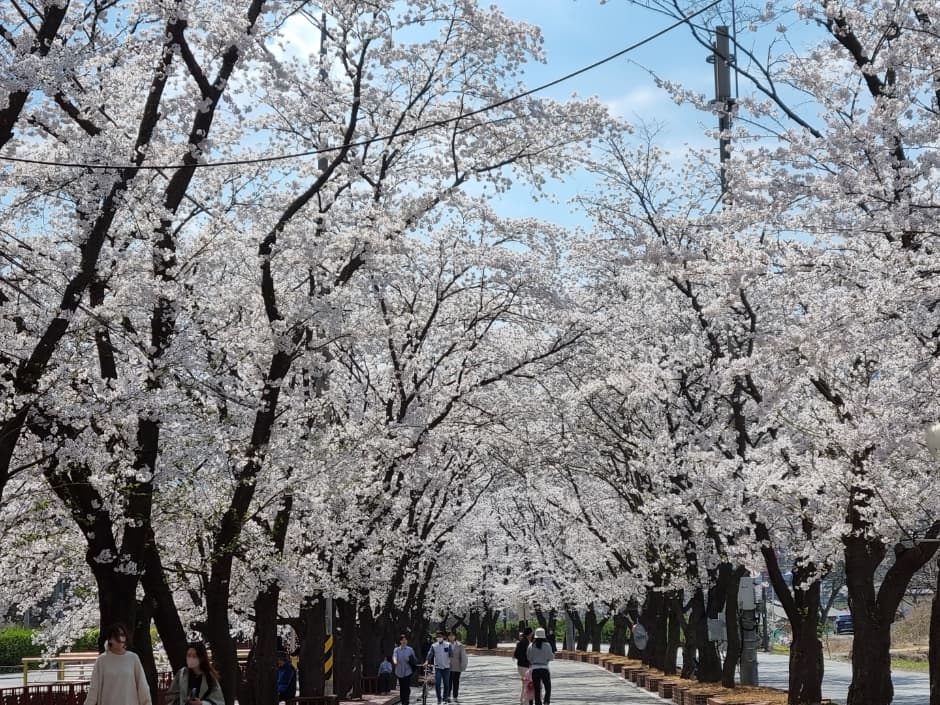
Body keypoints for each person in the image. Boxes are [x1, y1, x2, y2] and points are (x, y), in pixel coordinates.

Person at [83, 623, 151, 705]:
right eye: (116, 636)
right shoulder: (102, 660)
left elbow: (142, 687)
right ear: (110, 639)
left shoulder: (133, 658)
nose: (120, 638)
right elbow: (93, 690)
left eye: (122, 635)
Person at [527, 627, 553, 705]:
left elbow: (528, 657)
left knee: (537, 689)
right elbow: (551, 657)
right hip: (545, 669)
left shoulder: (531, 645)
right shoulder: (547, 645)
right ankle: (546, 701)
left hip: (535, 669)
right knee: (548, 687)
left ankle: (538, 703)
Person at [425, 630, 453, 705]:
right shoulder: (434, 646)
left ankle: (445, 698)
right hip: (438, 668)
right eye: (437, 636)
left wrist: (450, 661)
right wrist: (427, 661)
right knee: (437, 684)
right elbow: (430, 654)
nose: (439, 638)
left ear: (443, 637)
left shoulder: (448, 645)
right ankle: (439, 699)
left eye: (440, 636)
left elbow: (451, 654)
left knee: (446, 684)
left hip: (446, 667)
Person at [392, 634, 417, 705]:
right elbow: (394, 656)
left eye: (405, 640)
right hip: (399, 671)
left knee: (406, 686)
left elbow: (414, 659)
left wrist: (409, 659)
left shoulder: (410, 649)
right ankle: (403, 701)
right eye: (402, 640)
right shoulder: (396, 649)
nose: (404, 641)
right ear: (400, 641)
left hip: (408, 671)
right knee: (402, 687)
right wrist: (395, 661)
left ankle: (406, 701)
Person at [445, 631, 468, 704]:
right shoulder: (444, 645)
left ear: (455, 636)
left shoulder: (459, 645)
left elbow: (463, 656)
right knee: (448, 682)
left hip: (457, 667)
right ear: (448, 637)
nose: (451, 637)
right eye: (450, 636)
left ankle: (455, 696)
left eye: (453, 635)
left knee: (456, 682)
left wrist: (463, 665)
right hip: (447, 666)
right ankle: (448, 696)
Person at [513, 627, 533, 705]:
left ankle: (522, 700)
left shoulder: (521, 642)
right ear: (529, 634)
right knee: (527, 683)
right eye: (531, 633)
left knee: (525, 683)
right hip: (525, 666)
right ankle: (525, 701)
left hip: (520, 666)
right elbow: (529, 655)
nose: (532, 635)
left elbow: (515, 654)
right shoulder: (527, 643)